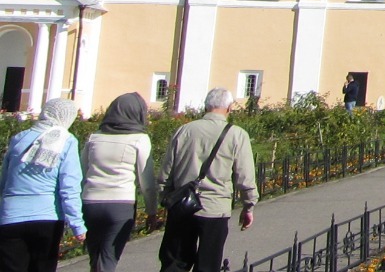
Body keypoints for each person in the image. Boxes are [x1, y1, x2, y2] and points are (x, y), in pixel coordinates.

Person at [158, 88, 257, 272]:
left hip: (182, 206)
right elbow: (245, 176)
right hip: (215, 209)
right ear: (229, 109)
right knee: (208, 265)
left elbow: (166, 172)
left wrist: (165, 198)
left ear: (206, 106)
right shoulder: (236, 134)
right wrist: (248, 206)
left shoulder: (184, 130)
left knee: (174, 263)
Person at [0, 98, 87, 272]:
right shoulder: (67, 141)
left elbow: (5, 179)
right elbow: (69, 186)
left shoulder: (19, 138)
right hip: (48, 218)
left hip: (10, 216)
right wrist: (77, 224)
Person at [82, 92, 157, 272]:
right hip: (120, 204)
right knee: (108, 258)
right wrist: (151, 210)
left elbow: (82, 172)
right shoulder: (139, 139)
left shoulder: (94, 138)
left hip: (90, 202)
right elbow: (146, 182)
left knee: (95, 257)